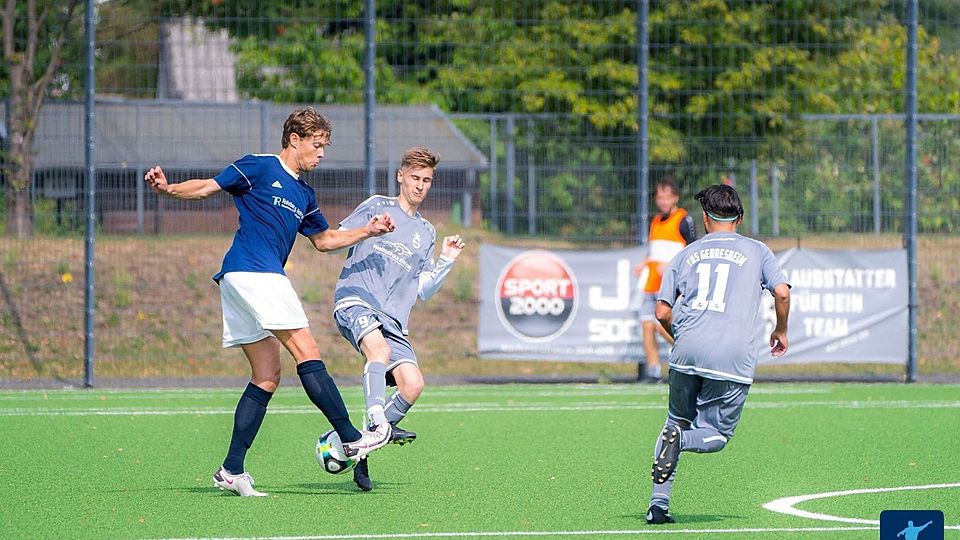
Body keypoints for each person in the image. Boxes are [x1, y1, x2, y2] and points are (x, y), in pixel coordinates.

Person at [144, 107, 396, 497]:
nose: (322, 154)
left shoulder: (305, 193)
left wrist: (367, 230)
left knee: (266, 375)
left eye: (324, 146)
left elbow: (325, 240)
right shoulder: (259, 167)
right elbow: (209, 186)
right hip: (254, 272)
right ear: (294, 139)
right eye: (317, 145)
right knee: (306, 350)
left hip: (240, 281)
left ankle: (231, 470)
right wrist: (168, 188)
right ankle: (350, 438)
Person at [645, 184, 790, 524]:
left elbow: (663, 312)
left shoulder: (685, 254)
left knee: (673, 420)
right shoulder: (757, 251)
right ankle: (681, 439)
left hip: (685, 353)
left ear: (705, 220)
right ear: (739, 218)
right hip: (731, 357)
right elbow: (781, 293)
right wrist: (781, 331)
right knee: (717, 436)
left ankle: (658, 506)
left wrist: (681, 339)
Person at [332, 147, 465, 492]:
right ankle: (378, 422)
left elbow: (424, 290)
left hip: (393, 319)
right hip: (357, 300)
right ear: (400, 176)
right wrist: (369, 231)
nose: (420, 186)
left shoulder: (427, 232)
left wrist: (447, 260)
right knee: (378, 352)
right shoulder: (377, 205)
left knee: (413, 385)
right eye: (415, 178)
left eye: (427, 181)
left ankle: (362, 447)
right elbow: (335, 239)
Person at [635, 179, 696, 383]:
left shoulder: (683, 220)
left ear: (675, 198)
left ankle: (689, 355)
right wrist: (645, 263)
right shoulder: (655, 221)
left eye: (666, 197)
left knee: (663, 326)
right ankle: (653, 372)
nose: (662, 201)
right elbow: (655, 251)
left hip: (671, 286)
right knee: (647, 326)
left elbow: (692, 252)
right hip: (651, 283)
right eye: (659, 197)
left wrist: (670, 267)